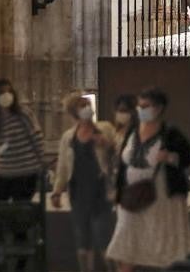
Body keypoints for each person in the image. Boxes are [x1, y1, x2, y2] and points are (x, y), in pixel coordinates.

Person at [107, 87, 190, 272]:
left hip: (162, 199)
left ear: (159, 108)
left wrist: (170, 157)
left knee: (162, 247)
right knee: (124, 246)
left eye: (146, 106)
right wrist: (118, 190)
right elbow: (123, 165)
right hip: (131, 198)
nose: (141, 109)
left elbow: (187, 158)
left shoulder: (170, 133)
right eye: (140, 106)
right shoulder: (132, 131)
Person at [51, 94, 117, 272]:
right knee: (82, 241)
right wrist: (57, 191)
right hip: (78, 194)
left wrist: (107, 144)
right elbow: (63, 166)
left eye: (88, 104)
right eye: (82, 105)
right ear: (74, 112)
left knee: (103, 238)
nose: (87, 107)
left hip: (100, 192)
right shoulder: (68, 137)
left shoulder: (105, 128)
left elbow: (118, 149)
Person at [0, 79, 46, 204]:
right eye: (2, 92)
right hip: (3, 172)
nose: (6, 95)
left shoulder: (23, 113)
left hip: (25, 171)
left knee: (19, 213)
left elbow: (36, 137)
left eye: (9, 91)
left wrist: (41, 162)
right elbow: (1, 145)